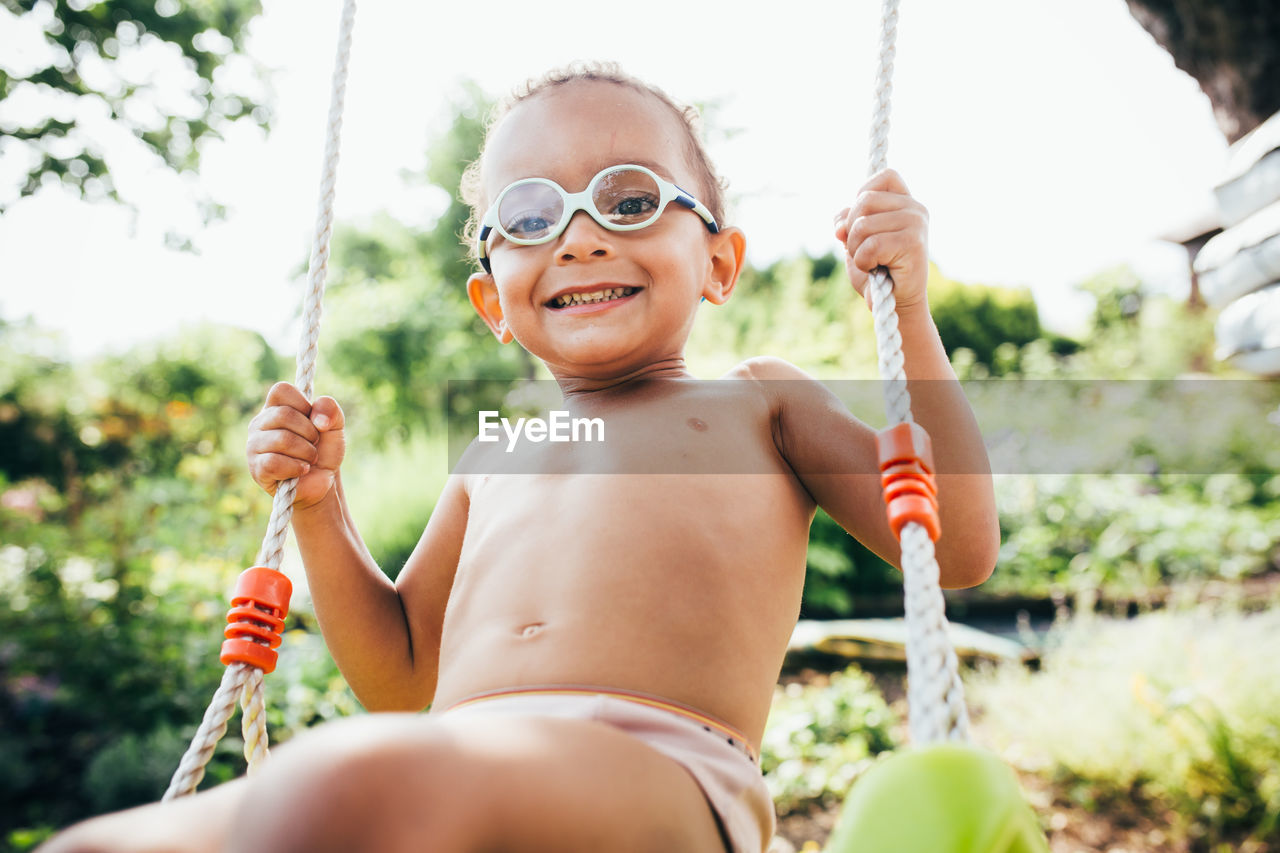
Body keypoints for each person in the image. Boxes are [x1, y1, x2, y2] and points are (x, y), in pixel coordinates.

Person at [41, 62, 998, 853]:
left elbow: (955, 549)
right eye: (532, 216)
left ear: (719, 262)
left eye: (628, 199)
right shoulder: (497, 446)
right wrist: (322, 505)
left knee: (352, 784)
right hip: (458, 771)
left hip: (661, 777)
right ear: (494, 301)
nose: (580, 237)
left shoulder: (759, 402)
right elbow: (402, 675)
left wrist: (905, 306)